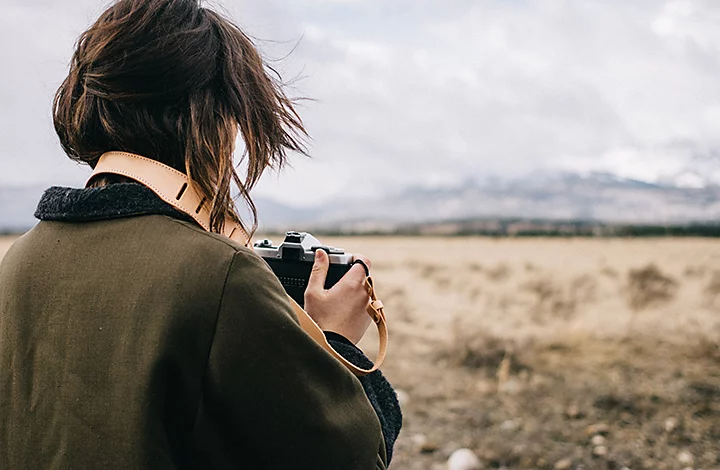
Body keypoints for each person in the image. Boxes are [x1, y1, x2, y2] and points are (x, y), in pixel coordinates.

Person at [0, 0, 401, 468]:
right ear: (209, 119)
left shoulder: (19, 260)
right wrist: (335, 343)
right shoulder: (220, 275)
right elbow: (353, 459)